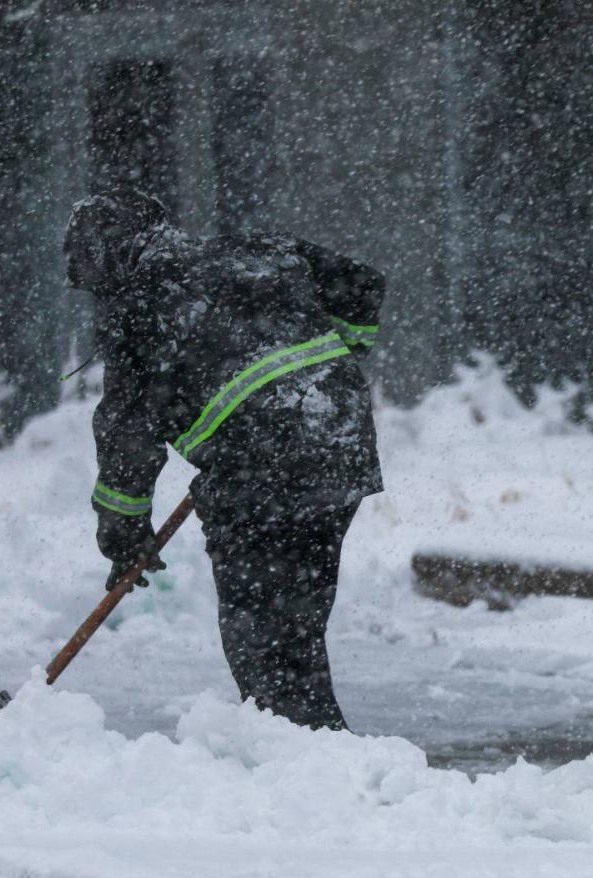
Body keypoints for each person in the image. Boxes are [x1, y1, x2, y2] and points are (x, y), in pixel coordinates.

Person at [63, 188, 385, 731]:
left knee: (264, 641)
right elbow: (362, 284)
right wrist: (334, 363)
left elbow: (127, 441)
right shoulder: (258, 250)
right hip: (338, 443)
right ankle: (322, 758)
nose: (93, 292)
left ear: (108, 256)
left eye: (88, 274)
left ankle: (310, 762)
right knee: (295, 624)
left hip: (262, 472)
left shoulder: (138, 308)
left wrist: (124, 539)